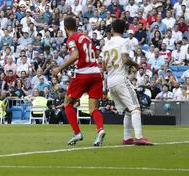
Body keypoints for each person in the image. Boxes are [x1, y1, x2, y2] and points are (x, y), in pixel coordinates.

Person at [52, 17, 105, 146]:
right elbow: (95, 54)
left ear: (65, 28)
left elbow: (75, 55)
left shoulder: (71, 39)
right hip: (96, 73)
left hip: (83, 74)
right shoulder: (86, 38)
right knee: (94, 108)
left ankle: (77, 133)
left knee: (68, 104)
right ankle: (100, 130)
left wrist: (59, 68)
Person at [102, 19, 152, 145]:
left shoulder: (106, 44)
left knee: (128, 110)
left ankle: (127, 137)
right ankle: (139, 137)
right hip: (120, 79)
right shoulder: (124, 41)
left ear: (112, 29)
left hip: (110, 81)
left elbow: (103, 66)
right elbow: (124, 59)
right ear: (124, 30)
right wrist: (136, 64)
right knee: (135, 107)